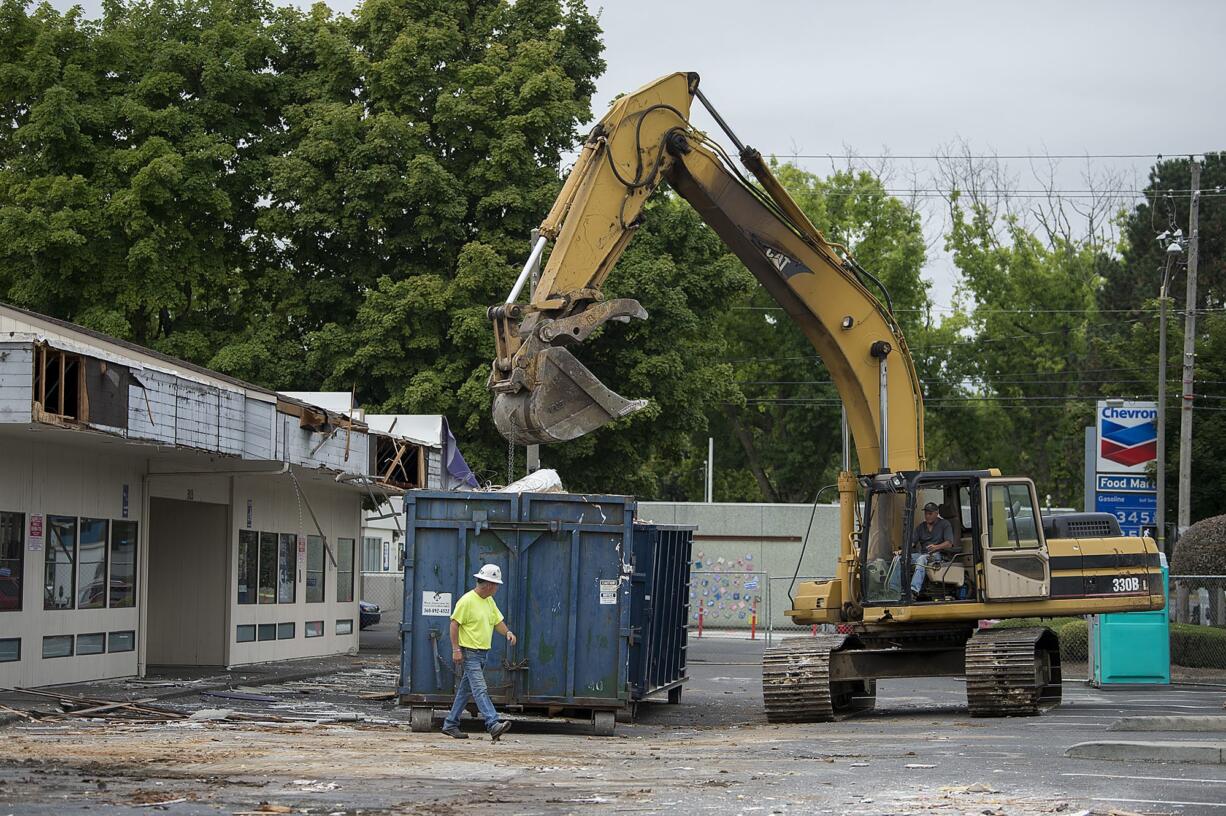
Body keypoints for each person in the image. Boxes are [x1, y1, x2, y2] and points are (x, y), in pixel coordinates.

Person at [441, 563, 517, 740]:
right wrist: (456, 649)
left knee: (465, 690)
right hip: (470, 653)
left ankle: (450, 724)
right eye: (496, 584)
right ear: (489, 585)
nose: (497, 588)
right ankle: (493, 723)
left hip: (482, 653)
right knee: (480, 689)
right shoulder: (467, 601)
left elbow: (497, 621)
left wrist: (508, 632)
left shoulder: (489, 601)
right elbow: (454, 624)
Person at [888, 501, 955, 597]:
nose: (927, 516)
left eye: (930, 514)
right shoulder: (921, 527)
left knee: (921, 559)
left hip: (938, 555)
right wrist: (902, 551)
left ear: (936, 513)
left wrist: (936, 547)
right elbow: (912, 543)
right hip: (923, 553)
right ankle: (893, 589)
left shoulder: (945, 524)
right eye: (926, 514)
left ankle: (914, 590)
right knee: (900, 558)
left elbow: (949, 543)